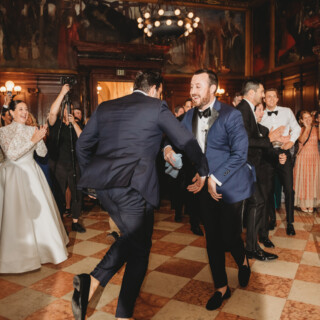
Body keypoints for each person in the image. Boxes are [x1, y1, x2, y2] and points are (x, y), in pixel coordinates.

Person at [72, 71, 209, 320]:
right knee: (140, 249)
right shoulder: (156, 107)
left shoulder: (105, 107)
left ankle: (93, 285)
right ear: (155, 88)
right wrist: (204, 170)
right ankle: (116, 307)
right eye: (161, 92)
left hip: (105, 189)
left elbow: (82, 146)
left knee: (134, 241)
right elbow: (186, 140)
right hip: (133, 187)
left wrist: (91, 180)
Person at [166, 69, 254, 310]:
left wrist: (217, 176)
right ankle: (221, 287)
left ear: (213, 88)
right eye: (191, 86)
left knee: (229, 235)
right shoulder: (188, 116)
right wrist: (167, 149)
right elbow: (172, 136)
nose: (192, 91)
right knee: (212, 237)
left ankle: (243, 260)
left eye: (198, 86)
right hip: (204, 186)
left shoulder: (231, 115)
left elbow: (240, 154)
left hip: (231, 185)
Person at [0, 100, 68, 273]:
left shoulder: (33, 130)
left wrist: (40, 138)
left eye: (26, 109)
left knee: (39, 215)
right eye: (20, 109)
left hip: (32, 173)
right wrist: (33, 140)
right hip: (13, 174)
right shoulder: (3, 131)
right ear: (12, 113)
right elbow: (12, 155)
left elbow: (42, 154)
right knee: (16, 215)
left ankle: (44, 251)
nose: (24, 112)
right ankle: (18, 257)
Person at [237, 80, 280, 260]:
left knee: (258, 202)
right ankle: (251, 248)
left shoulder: (246, 109)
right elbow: (245, 142)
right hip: (243, 166)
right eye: (262, 92)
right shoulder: (243, 110)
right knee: (257, 202)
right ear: (252, 93)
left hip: (249, 166)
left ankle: (251, 247)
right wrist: (269, 139)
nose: (263, 95)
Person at [261, 88, 301, 235]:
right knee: (269, 189)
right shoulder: (259, 114)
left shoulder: (287, 111)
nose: (271, 99)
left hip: (284, 151)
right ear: (264, 99)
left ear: (278, 99)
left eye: (274, 96)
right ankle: (272, 219)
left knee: (289, 189)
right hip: (267, 154)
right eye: (268, 97)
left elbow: (296, 128)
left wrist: (290, 142)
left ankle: (290, 222)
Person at [47, 84, 85, 233]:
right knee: (59, 194)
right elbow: (51, 113)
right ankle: (59, 222)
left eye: (70, 109)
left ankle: (75, 222)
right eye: (65, 108)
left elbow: (82, 140)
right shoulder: (56, 125)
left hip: (74, 164)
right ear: (62, 110)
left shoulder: (76, 125)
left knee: (77, 194)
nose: (67, 111)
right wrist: (62, 93)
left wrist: (74, 123)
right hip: (59, 164)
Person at [254, 103, 287, 248]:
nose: (262, 113)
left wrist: (280, 156)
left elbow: (270, 150)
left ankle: (264, 235)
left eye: (262, 110)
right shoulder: (245, 130)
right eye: (259, 110)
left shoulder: (265, 130)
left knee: (266, 203)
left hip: (265, 171)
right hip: (247, 172)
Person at [293, 111, 320, 212]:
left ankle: (311, 203)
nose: (308, 119)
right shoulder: (299, 129)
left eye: (309, 117)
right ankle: (303, 203)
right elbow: (301, 140)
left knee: (313, 180)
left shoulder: (317, 129)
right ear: (301, 120)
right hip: (303, 158)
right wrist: (307, 127)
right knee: (304, 180)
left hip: (314, 157)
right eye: (305, 118)